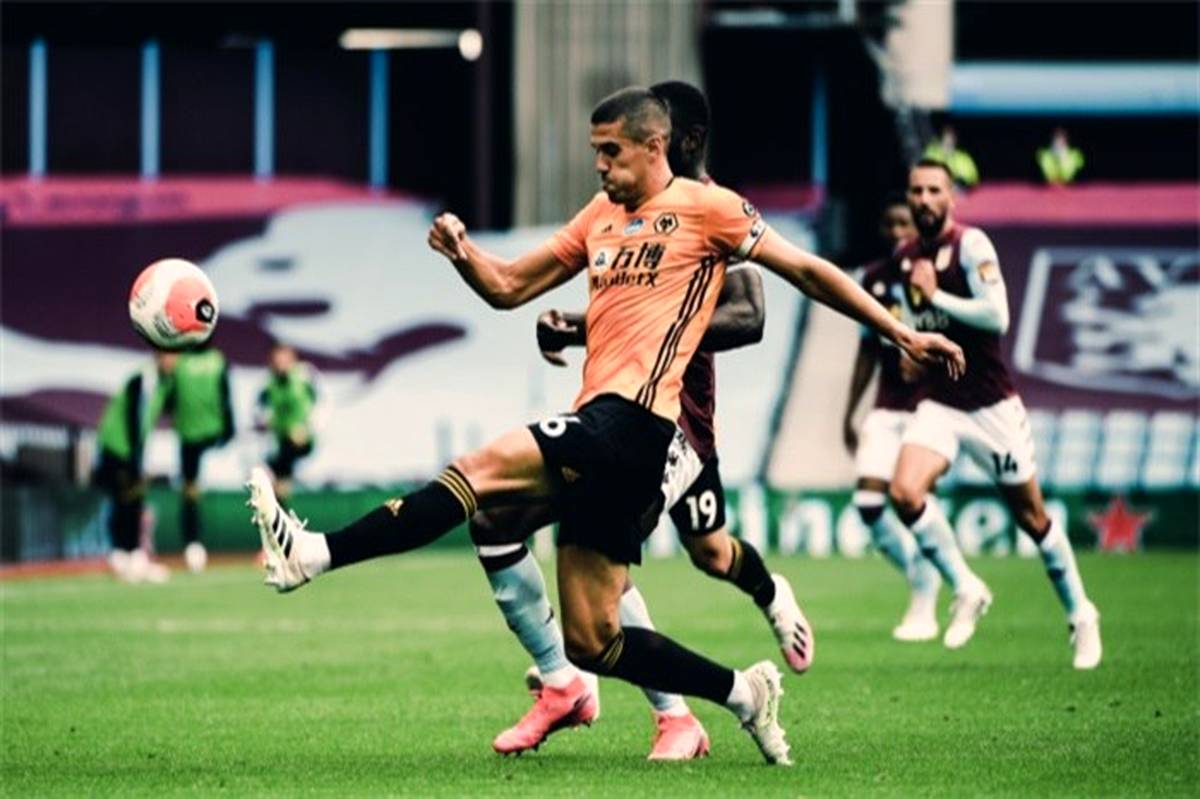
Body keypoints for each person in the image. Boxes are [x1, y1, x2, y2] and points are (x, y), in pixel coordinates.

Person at [247, 87, 964, 766]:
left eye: (611, 152)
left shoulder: (708, 209)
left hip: (637, 425)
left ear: (655, 147)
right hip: (606, 431)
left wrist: (901, 332)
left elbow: (806, 271)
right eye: (596, 152)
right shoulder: (599, 215)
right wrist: (464, 253)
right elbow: (508, 287)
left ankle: (315, 553)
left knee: (479, 475)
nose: (600, 165)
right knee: (594, 640)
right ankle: (744, 693)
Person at [470, 80, 810, 761]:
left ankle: (683, 691)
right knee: (520, 522)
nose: (614, 158)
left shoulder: (709, 209)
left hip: (682, 426)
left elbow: (751, 314)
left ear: (680, 141)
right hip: (627, 417)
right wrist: (579, 324)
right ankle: (580, 685)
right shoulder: (625, 212)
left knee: (672, 557)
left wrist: (656, 318)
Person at [887, 158, 1102, 669]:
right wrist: (912, 350)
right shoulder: (906, 256)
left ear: (950, 197)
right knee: (904, 492)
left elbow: (997, 316)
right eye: (916, 190)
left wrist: (938, 295)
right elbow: (919, 322)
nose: (923, 199)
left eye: (933, 190)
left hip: (991, 407)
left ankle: (1081, 613)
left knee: (1032, 518)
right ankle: (966, 587)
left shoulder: (972, 245)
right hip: (941, 402)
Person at [842, 196, 942, 641]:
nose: (897, 231)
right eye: (890, 223)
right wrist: (850, 411)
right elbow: (866, 350)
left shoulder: (937, 274)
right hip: (886, 404)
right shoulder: (874, 279)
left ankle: (926, 600)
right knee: (868, 504)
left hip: (932, 406)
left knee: (914, 499)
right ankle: (921, 574)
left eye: (905, 223)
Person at [94, 350, 177, 583]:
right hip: (118, 446)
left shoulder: (164, 382)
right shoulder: (144, 378)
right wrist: (134, 458)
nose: (174, 360)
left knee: (131, 500)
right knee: (126, 500)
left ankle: (128, 556)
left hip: (129, 448)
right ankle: (126, 556)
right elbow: (134, 416)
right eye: (170, 354)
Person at [173, 344, 233, 572]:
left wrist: (229, 430)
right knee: (190, 493)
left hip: (214, 436)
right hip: (189, 437)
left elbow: (226, 396)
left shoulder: (217, 360)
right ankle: (193, 544)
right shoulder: (179, 361)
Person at [255, 342, 319, 507]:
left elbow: (321, 404)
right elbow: (260, 409)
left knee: (284, 463)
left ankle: (283, 500)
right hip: (278, 439)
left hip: (301, 439)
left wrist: (307, 428)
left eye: (284, 359)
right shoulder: (268, 382)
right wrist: (263, 422)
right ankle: (279, 506)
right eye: (276, 360)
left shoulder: (305, 376)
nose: (280, 364)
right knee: (272, 475)